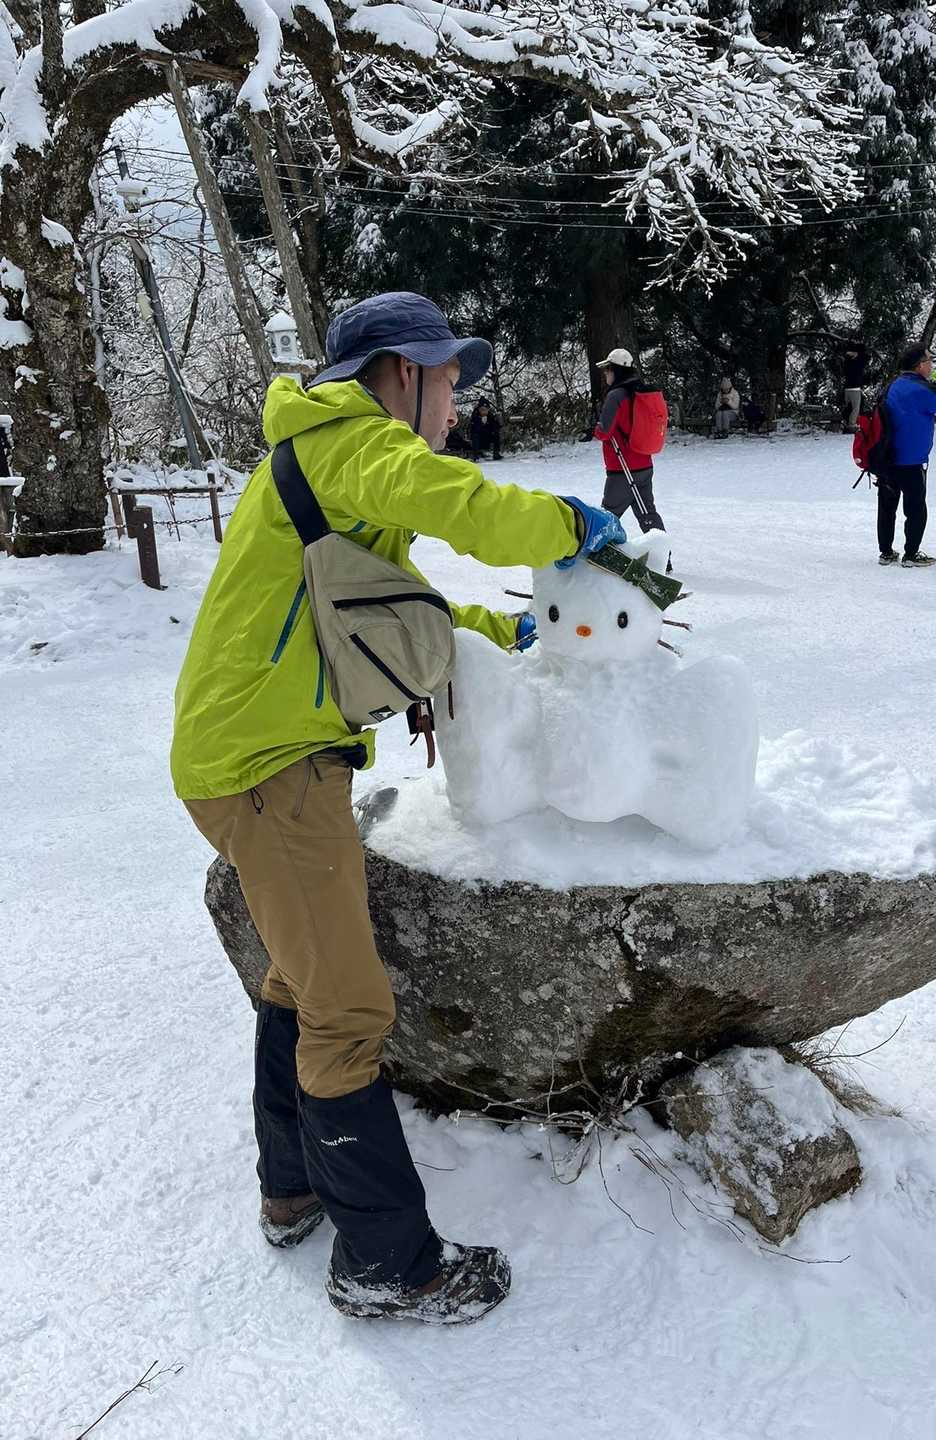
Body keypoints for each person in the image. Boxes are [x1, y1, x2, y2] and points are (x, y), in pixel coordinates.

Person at [171, 292, 625, 1327]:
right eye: (448, 379)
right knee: (347, 1010)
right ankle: (386, 1264)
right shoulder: (350, 442)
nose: (456, 403)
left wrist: (491, 633)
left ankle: (292, 1189)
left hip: (248, 757)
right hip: (270, 769)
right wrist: (570, 526)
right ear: (399, 373)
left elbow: (385, 600)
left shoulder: (326, 463)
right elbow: (462, 504)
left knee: (299, 980)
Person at [877, 343, 936, 568]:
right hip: (911, 460)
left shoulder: (892, 385)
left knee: (887, 507)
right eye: (929, 360)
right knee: (915, 509)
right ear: (920, 365)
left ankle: (886, 552)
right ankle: (911, 554)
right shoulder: (919, 389)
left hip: (885, 457)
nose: (932, 364)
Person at [593, 347, 665, 534]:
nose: (605, 374)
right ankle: (662, 550)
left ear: (615, 370)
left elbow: (604, 431)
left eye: (607, 369)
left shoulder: (616, 395)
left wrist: (595, 428)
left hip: (623, 468)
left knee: (606, 518)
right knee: (648, 514)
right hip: (644, 465)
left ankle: (598, 550)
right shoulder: (640, 392)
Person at [841, 342, 867, 434]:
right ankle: (851, 425)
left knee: (848, 407)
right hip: (855, 388)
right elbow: (863, 356)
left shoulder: (848, 361)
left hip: (847, 388)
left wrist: (850, 354)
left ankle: (846, 423)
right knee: (855, 408)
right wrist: (857, 352)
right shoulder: (859, 361)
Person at [468, 396, 503, 460]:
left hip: (487, 437)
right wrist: (481, 422)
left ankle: (496, 453)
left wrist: (498, 423)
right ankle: (475, 455)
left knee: (496, 435)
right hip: (478, 439)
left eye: (486, 409)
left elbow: (496, 427)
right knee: (475, 436)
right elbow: (473, 429)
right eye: (482, 409)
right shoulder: (475, 416)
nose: (484, 411)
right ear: (479, 409)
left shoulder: (490, 416)